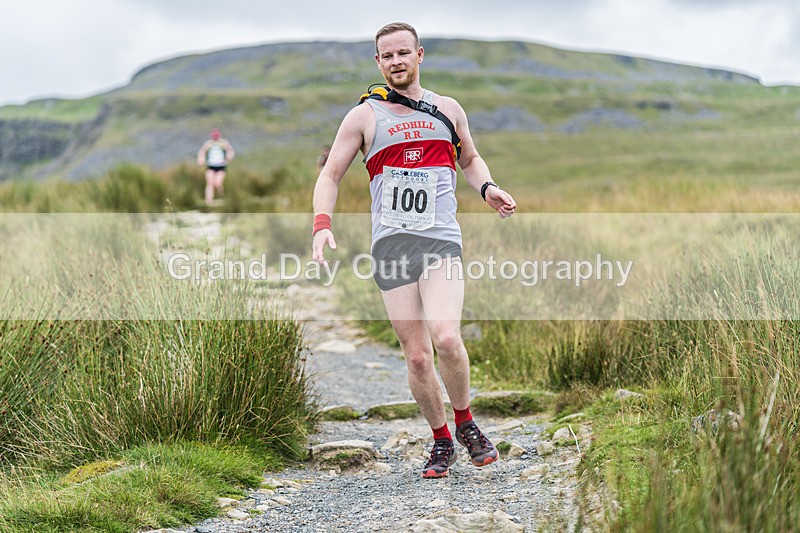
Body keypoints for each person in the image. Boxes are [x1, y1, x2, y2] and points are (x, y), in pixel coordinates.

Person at [312, 22, 516, 478]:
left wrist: (487, 187)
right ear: (378, 63)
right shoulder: (363, 116)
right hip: (392, 245)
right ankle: (441, 439)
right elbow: (330, 176)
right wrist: (321, 226)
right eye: (388, 56)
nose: (396, 61)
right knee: (418, 355)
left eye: (404, 53)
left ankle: (466, 423)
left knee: (445, 336)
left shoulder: (447, 109)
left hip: (441, 239)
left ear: (419, 55)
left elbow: (469, 158)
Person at [197, 128, 235, 205]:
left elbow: (231, 151)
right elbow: (202, 152)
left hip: (221, 166)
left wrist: (229, 156)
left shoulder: (223, 143)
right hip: (211, 166)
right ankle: (208, 201)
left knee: (218, 183)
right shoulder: (208, 144)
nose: (215, 137)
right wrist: (201, 159)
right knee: (209, 183)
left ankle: (221, 198)